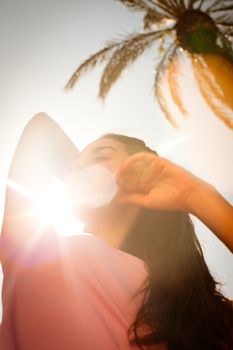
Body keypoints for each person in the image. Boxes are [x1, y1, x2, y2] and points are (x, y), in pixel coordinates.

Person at [0, 112, 232, 350]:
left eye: (102, 156)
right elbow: (41, 131)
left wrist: (195, 195)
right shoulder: (36, 252)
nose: (75, 166)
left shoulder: (200, 311)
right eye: (73, 164)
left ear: (143, 175)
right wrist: (87, 176)